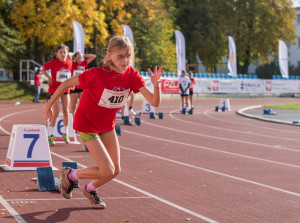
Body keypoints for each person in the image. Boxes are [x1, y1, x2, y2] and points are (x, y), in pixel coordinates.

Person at [42, 36, 163, 209]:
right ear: (109, 55)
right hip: (87, 123)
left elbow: (154, 102)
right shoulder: (98, 73)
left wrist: (156, 85)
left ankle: (90, 189)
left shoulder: (132, 75)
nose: (125, 60)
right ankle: (70, 175)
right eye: (120, 56)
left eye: (128, 55)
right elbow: (68, 83)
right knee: (106, 169)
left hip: (107, 125)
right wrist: (49, 105)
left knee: (115, 170)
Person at [41, 44, 72, 146]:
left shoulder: (69, 62)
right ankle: (50, 134)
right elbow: (43, 69)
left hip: (65, 89)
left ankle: (65, 132)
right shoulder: (53, 63)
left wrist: (72, 84)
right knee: (56, 112)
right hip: (55, 89)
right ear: (56, 54)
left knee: (66, 111)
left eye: (64, 52)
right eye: (60, 52)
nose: (63, 54)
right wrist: (48, 78)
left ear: (67, 53)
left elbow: (69, 74)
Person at [70, 52, 96, 118]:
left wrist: (82, 55)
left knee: (84, 104)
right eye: (78, 57)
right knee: (73, 105)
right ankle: (72, 120)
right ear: (74, 58)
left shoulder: (83, 63)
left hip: (82, 86)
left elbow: (93, 56)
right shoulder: (72, 63)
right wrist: (74, 54)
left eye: (81, 58)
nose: (80, 59)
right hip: (74, 87)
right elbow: (68, 55)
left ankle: (82, 119)